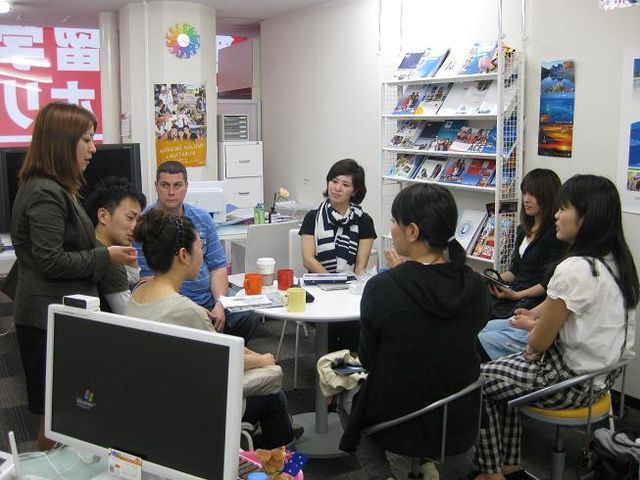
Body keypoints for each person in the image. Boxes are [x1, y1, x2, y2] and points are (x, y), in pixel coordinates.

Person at [473, 175, 639, 480]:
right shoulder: (617, 262)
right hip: (601, 381)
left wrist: (533, 343)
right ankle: (508, 465)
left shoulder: (574, 268)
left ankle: (491, 471)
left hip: (568, 381)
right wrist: (534, 340)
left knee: (477, 379)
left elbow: (538, 343)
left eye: (563, 209)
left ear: (585, 217)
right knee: (502, 370)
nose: (556, 216)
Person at [4, 102, 136, 450]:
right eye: (86, 140)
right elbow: (51, 261)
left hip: (59, 314)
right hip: (47, 319)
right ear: (63, 142)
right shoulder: (45, 192)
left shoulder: (54, 187)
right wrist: (105, 255)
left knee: (66, 409)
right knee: (57, 413)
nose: (93, 149)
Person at [340, 183, 490, 480]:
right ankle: (423, 465)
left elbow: (369, 359)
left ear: (412, 231)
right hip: (459, 415)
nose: (391, 227)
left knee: (343, 392)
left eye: (394, 221)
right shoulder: (475, 284)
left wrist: (402, 273)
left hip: (400, 419)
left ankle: (385, 476)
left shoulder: (383, 288)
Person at [126, 209, 294, 449]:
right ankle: (282, 462)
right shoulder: (184, 311)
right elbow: (228, 359)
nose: (202, 253)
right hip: (192, 407)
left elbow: (226, 345)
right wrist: (264, 359)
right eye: (199, 247)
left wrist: (257, 356)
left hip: (154, 398)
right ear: (183, 255)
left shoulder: (139, 292)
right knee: (274, 394)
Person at [134, 161, 257, 341]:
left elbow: (218, 267)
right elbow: (146, 278)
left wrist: (219, 304)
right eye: (165, 185)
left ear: (186, 186)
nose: (171, 192)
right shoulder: (146, 224)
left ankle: (227, 348)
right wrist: (192, 310)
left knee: (247, 315)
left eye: (177, 185)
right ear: (156, 186)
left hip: (209, 296)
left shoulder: (202, 218)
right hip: (172, 303)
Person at [477, 169, 567, 360]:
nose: (526, 200)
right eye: (524, 193)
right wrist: (493, 280)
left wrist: (517, 294)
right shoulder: (522, 230)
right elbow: (514, 271)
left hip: (532, 300)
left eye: (532, 194)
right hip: (515, 292)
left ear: (547, 196)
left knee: (484, 324)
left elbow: (547, 284)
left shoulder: (556, 235)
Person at [299, 158, 376, 275]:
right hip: (318, 282)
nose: (337, 188)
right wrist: (333, 281)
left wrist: (349, 284)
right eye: (334, 181)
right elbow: (308, 260)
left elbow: (361, 266)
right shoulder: (312, 217)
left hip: (351, 283)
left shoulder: (364, 221)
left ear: (354, 191)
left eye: (345, 185)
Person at [85, 177, 147, 313]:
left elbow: (129, 279)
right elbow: (129, 316)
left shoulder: (90, 244)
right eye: (130, 218)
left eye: (138, 221)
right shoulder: (108, 257)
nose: (135, 227)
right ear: (103, 216)